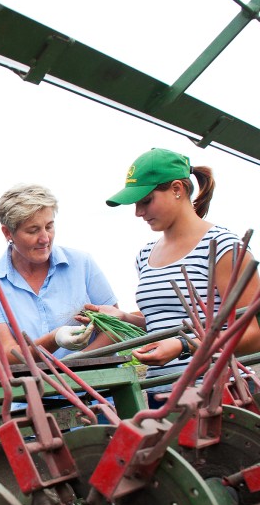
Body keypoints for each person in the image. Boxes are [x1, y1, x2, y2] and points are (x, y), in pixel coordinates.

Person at [88, 147, 260, 389]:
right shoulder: (145, 255)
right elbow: (165, 322)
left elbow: (253, 336)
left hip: (217, 395)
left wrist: (184, 346)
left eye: (146, 201)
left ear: (177, 189)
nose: (138, 212)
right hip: (163, 396)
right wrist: (125, 318)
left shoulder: (224, 248)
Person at [0, 183, 119, 364]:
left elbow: (115, 327)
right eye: (33, 230)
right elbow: (7, 354)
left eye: (49, 226)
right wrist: (54, 339)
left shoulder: (81, 263)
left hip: (99, 386)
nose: (45, 238)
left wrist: (81, 360)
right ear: (7, 232)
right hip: (38, 390)